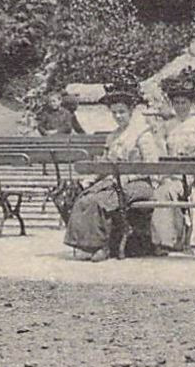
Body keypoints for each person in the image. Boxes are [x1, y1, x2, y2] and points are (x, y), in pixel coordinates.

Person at [63, 86, 163, 261]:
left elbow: (151, 165)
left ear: (131, 111)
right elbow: (105, 163)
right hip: (115, 181)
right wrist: (90, 179)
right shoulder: (113, 136)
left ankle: (103, 246)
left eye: (122, 112)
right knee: (85, 198)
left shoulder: (142, 134)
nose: (118, 116)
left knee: (99, 201)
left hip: (141, 184)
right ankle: (87, 245)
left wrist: (128, 177)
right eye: (114, 112)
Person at [150, 70, 195, 253]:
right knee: (163, 191)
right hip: (173, 175)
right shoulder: (167, 125)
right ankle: (167, 239)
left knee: (171, 193)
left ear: (191, 103)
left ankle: (175, 238)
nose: (180, 106)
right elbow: (159, 150)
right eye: (177, 103)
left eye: (184, 102)